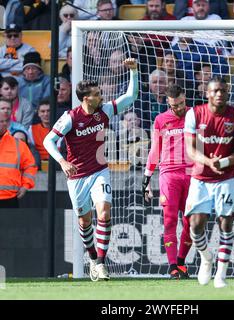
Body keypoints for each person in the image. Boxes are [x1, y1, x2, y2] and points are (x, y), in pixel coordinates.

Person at [43, 58, 138, 281]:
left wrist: (133, 72)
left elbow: (130, 97)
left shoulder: (104, 111)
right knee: (85, 222)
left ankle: (101, 263)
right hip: (76, 177)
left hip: (99, 171)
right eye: (97, 93)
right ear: (87, 98)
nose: (101, 96)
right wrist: (63, 162)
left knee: (104, 212)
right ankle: (93, 257)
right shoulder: (70, 118)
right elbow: (49, 141)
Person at [184, 76, 234, 288]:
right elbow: (190, 149)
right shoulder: (194, 114)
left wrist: (226, 161)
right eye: (215, 90)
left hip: (226, 177)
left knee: (226, 222)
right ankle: (206, 258)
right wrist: (208, 161)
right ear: (207, 93)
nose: (219, 93)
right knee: (195, 224)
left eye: (223, 90)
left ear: (227, 92)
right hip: (201, 176)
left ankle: (221, 274)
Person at [142, 84, 193, 279]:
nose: (178, 108)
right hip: (169, 175)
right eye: (174, 106)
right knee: (170, 220)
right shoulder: (161, 120)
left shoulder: (195, 116)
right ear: (168, 103)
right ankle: (172, 266)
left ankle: (181, 261)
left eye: (180, 104)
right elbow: (155, 150)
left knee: (191, 223)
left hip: (192, 174)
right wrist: (147, 179)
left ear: (185, 98)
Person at [0, 111, 37, 208]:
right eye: (0, 121)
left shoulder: (18, 144)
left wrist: (25, 186)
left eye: (5, 121)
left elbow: (30, 166)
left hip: (10, 198)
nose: (3, 124)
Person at [28, 98, 51, 169]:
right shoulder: (31, 129)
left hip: (57, 165)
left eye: (48, 111)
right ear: (38, 113)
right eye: (42, 111)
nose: (46, 114)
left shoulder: (60, 128)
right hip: (37, 164)